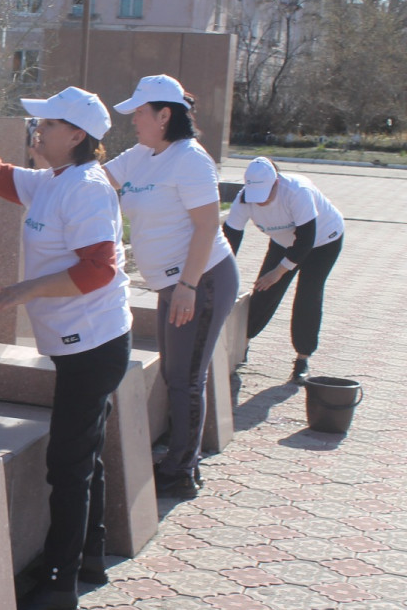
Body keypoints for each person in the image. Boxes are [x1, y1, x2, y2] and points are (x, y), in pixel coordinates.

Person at [0, 87, 132, 610]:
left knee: (68, 462)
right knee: (83, 452)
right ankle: (89, 555)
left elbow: (99, 269)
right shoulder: (52, 181)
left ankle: (59, 583)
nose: (38, 129)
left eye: (49, 124)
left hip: (95, 344)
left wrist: (28, 289)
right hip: (79, 343)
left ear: (76, 136)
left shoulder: (86, 188)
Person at [104, 74, 240, 500]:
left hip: (202, 280)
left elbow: (206, 226)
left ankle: (182, 470)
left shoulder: (190, 160)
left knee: (186, 377)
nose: (133, 121)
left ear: (164, 115)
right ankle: (180, 456)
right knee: (174, 373)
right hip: (175, 284)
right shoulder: (142, 154)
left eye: (140, 113)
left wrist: (188, 285)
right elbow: (98, 180)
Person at [223, 157, 344, 384]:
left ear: (276, 183)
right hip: (285, 242)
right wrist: (222, 275)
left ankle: (302, 358)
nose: (260, 201)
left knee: (307, 295)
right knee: (264, 291)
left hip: (323, 241)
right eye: (255, 195)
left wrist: (279, 271)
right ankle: (242, 346)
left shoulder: (297, 192)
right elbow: (230, 239)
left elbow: (306, 240)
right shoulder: (244, 199)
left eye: (265, 194)